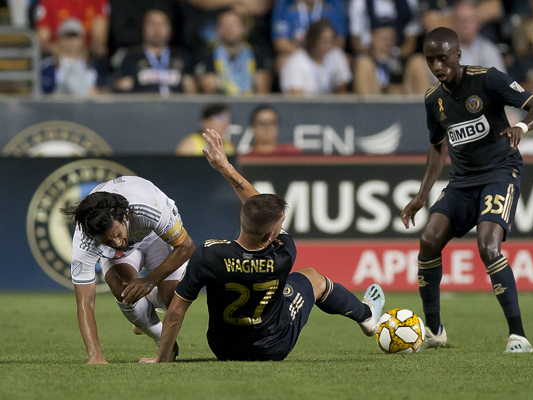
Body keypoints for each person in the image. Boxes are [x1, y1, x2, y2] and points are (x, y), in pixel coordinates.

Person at [139, 129, 385, 363]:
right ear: (270, 236)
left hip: (223, 348)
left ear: (242, 220)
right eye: (280, 224)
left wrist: (162, 358)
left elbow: (175, 312)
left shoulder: (208, 254)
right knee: (313, 277)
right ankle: (366, 315)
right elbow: (259, 204)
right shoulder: (284, 253)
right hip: (273, 347)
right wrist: (228, 169)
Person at [400, 27, 533, 353]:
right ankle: (434, 330)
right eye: (430, 60)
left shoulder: (488, 79)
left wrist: (522, 126)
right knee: (428, 241)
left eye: (442, 58)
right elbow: (438, 148)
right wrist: (422, 195)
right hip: (463, 181)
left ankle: (518, 336)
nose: (437, 66)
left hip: (500, 173)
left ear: (457, 55)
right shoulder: (433, 99)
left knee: (488, 244)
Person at [61, 176, 196, 364]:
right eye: (108, 241)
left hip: (156, 235)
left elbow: (187, 246)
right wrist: (95, 356)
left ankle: (144, 306)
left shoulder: (148, 209)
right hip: (132, 243)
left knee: (172, 298)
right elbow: (85, 302)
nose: (117, 243)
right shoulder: (85, 238)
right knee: (122, 288)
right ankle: (162, 340)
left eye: (117, 234)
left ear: (124, 216)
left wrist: (149, 281)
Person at [114, 9, 196, 95]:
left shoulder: (181, 57)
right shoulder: (131, 57)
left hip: (176, 106)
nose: (157, 29)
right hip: (142, 106)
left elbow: (191, 90)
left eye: (162, 24)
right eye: (152, 24)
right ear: (143, 27)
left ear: (170, 28)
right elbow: (123, 88)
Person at [193, 9, 272, 95]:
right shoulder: (207, 55)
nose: (229, 29)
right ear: (217, 29)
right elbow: (206, 85)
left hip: (250, 103)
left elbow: (263, 88)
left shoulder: (257, 53)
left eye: (234, 25)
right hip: (220, 103)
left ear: (244, 28)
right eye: (225, 25)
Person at [353, 20, 431, 95]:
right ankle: (365, 108)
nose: (387, 42)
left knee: (418, 61)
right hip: (373, 102)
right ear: (372, 38)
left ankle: (426, 107)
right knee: (363, 63)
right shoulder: (366, 60)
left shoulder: (401, 60)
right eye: (383, 38)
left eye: (390, 38)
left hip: (402, 101)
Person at [280, 19, 352, 95]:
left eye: (330, 40)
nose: (327, 45)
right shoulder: (296, 61)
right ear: (312, 39)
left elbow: (342, 92)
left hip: (329, 105)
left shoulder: (336, 56)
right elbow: (296, 99)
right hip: (304, 105)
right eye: (323, 40)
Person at [41, 18, 108, 96]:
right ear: (60, 38)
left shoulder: (91, 64)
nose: (71, 40)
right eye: (67, 36)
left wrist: (98, 92)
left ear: (82, 39)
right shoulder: (49, 65)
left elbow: (104, 87)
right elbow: (45, 92)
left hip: (88, 106)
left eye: (75, 36)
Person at [35, 0, 109, 58]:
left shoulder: (97, 1)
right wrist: (66, 50)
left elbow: (99, 37)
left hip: (87, 57)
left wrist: (80, 51)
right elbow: (42, 39)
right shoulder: (49, 1)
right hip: (56, 58)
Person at [451, 1, 506, 73]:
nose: (465, 25)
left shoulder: (490, 51)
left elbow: (501, 82)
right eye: (461, 20)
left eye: (470, 20)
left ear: (477, 23)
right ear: (453, 22)